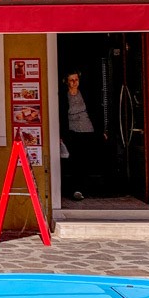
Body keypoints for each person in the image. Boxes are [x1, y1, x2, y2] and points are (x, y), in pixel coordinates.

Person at [60, 70, 101, 202]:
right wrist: (61, 133)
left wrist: (102, 130)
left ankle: (84, 188)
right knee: (75, 160)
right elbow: (61, 114)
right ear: (67, 82)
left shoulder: (85, 93)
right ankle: (75, 189)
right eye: (71, 80)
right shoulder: (63, 96)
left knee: (86, 160)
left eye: (76, 79)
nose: (74, 82)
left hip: (88, 129)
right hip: (72, 131)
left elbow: (94, 110)